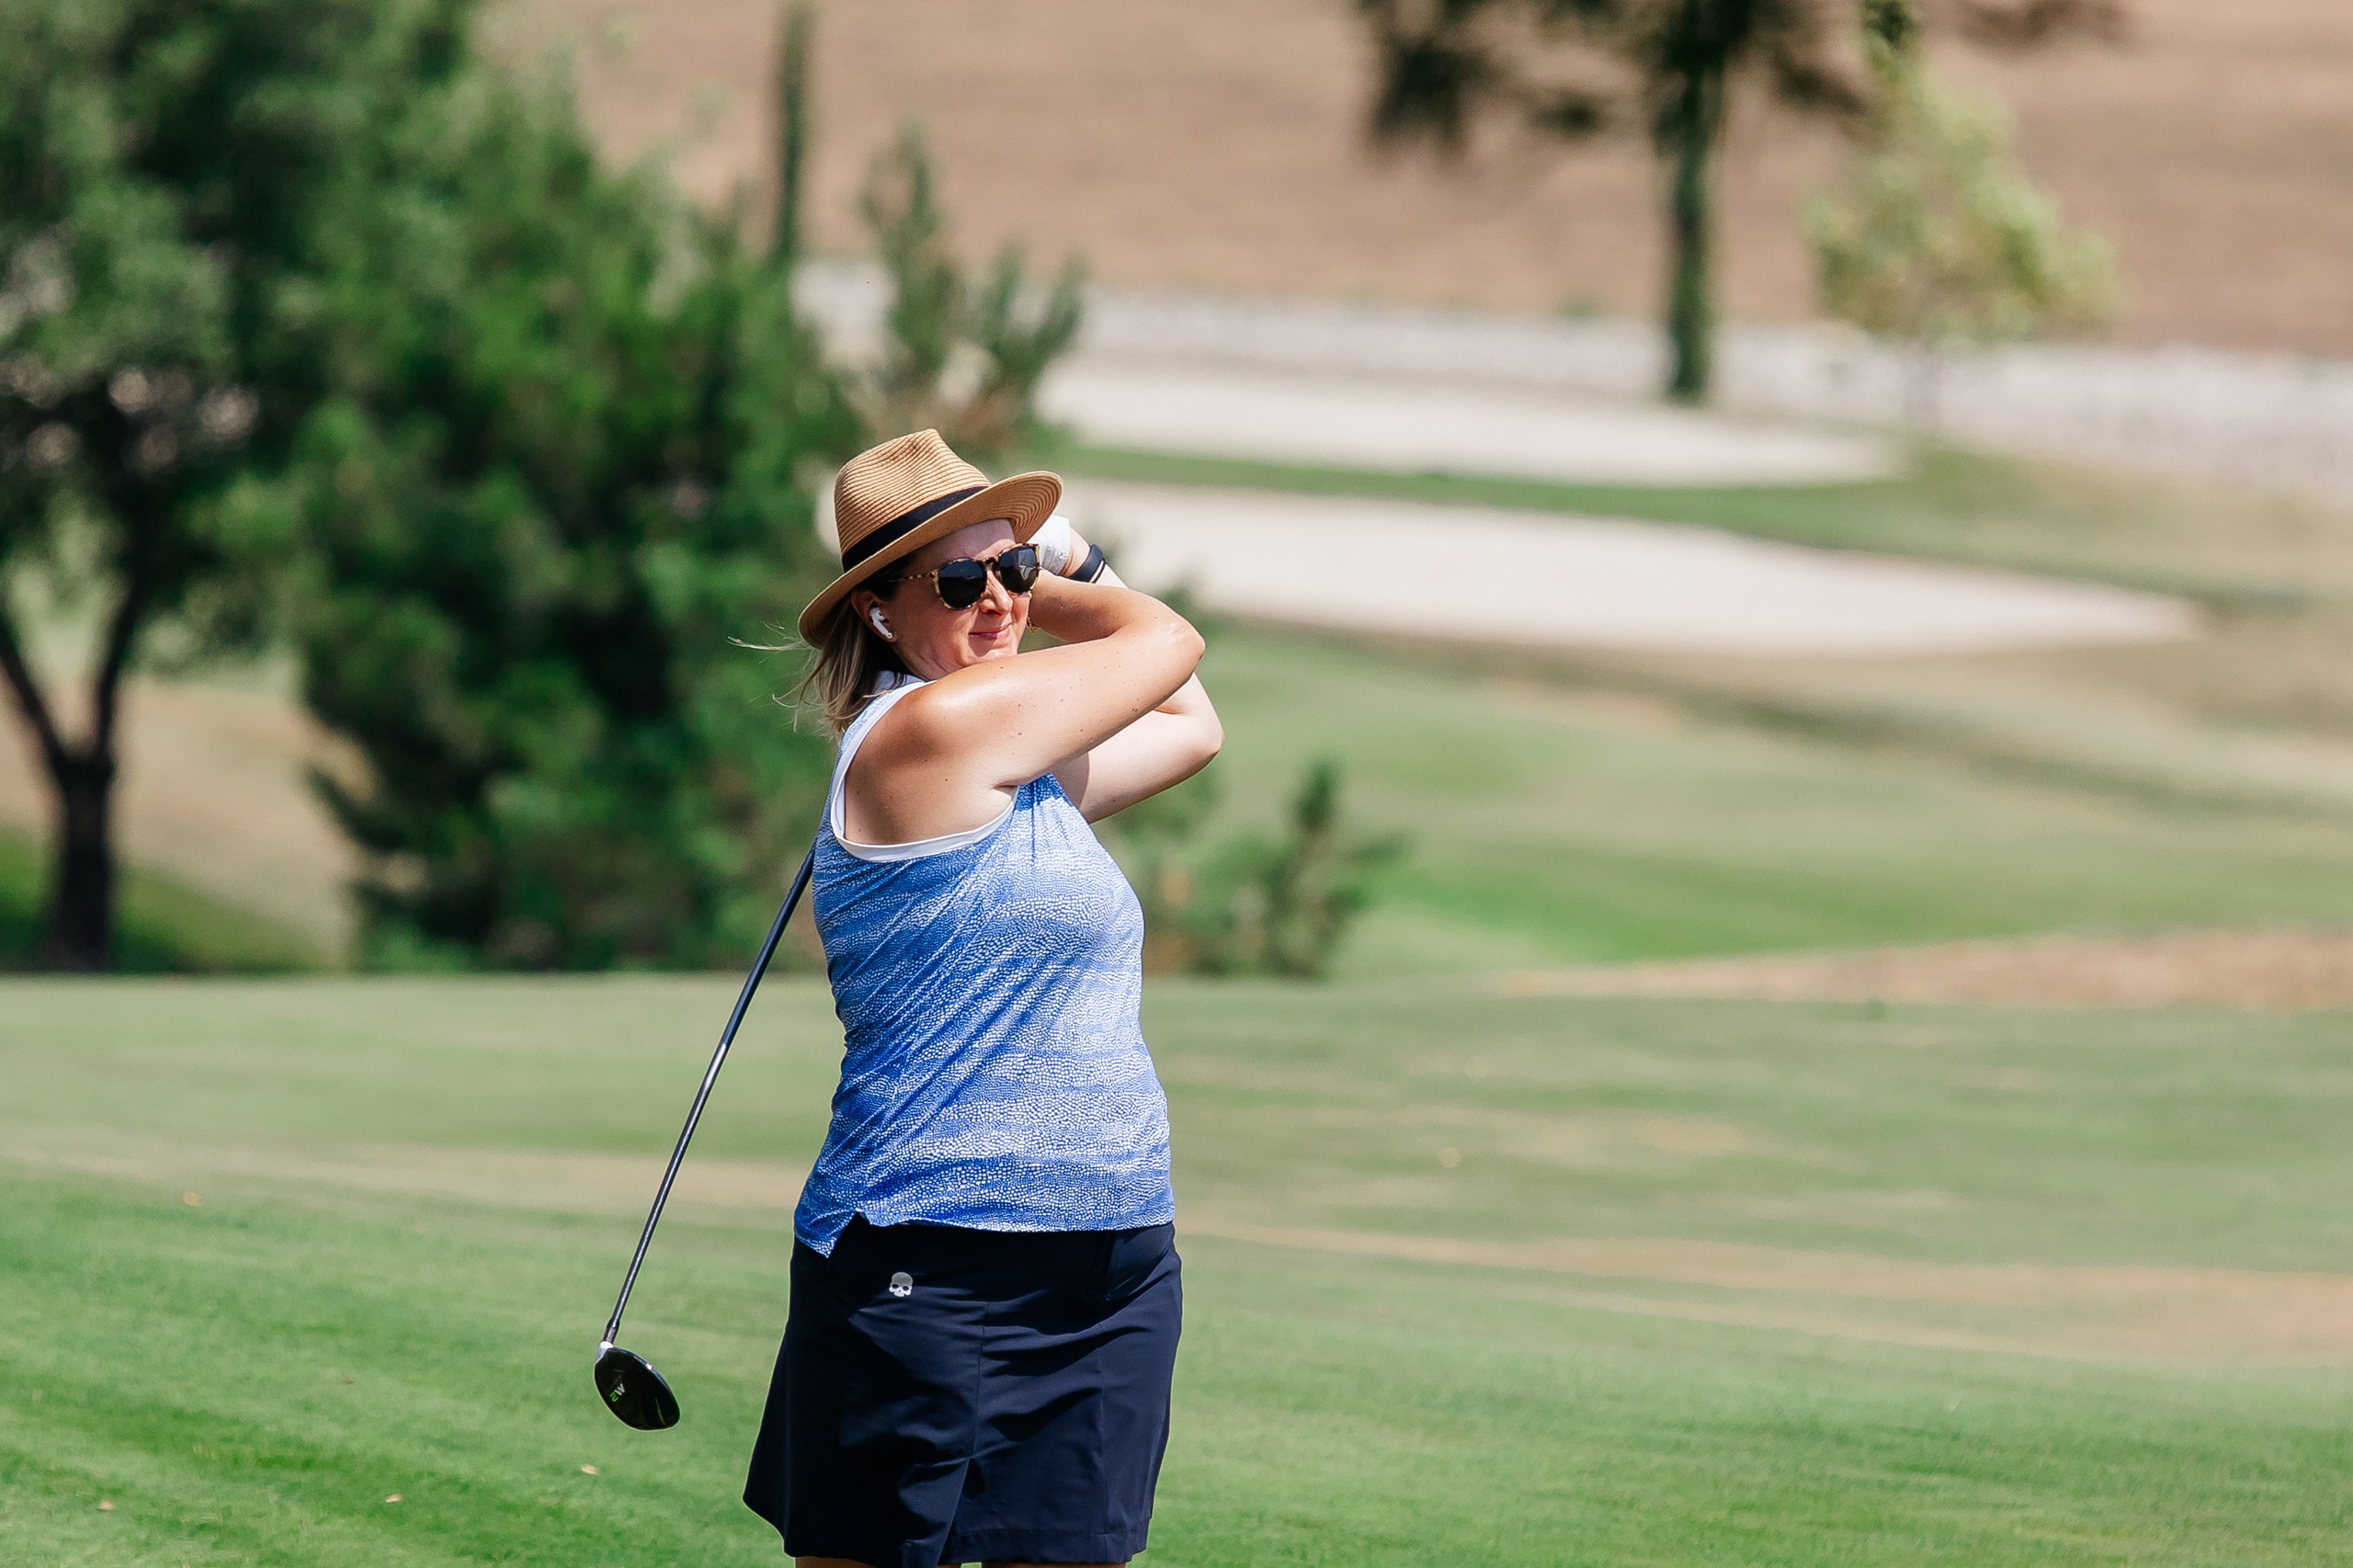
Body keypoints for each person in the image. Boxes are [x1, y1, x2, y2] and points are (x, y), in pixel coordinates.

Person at [744, 429, 1222, 1568]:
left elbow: (1190, 723)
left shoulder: (1019, 767)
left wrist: (1024, 566)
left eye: (1011, 569)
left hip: (1107, 1265)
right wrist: (1062, 570)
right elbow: (1167, 642)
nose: (1001, 600)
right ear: (876, 610)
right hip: (932, 1264)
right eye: (961, 581)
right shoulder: (926, 735)